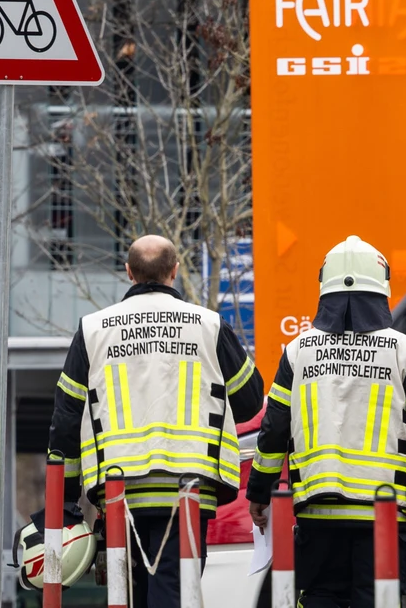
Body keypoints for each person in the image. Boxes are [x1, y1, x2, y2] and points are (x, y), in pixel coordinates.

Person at [246, 235, 406, 607]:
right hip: (383, 515)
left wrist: (258, 493)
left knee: (319, 598)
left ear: (325, 287)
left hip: (317, 514)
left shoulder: (298, 352)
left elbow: (273, 433)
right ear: (381, 288)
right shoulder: (404, 352)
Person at [48, 234, 263, 608]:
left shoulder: (93, 330)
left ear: (129, 272)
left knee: (129, 595)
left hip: (119, 491)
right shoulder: (209, 325)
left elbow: (66, 422)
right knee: (176, 591)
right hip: (189, 487)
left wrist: (66, 502)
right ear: (175, 271)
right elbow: (249, 401)